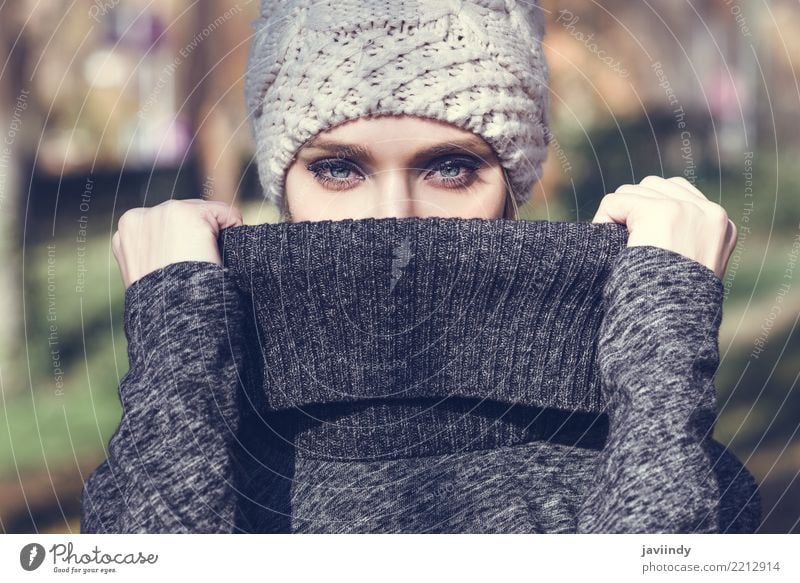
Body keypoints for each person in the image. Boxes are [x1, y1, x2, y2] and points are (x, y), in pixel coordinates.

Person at [80, 0, 761, 533]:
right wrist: (177, 342)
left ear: (515, 185)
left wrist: (663, 337)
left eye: (452, 166)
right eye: (339, 169)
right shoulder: (179, 452)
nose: (395, 220)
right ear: (282, 186)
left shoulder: (658, 453)